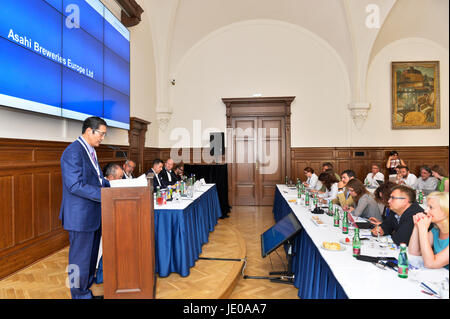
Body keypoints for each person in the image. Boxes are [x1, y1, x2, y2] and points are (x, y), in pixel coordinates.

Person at [60, 116, 109, 299]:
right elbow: (74, 185)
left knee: (89, 260)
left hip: (93, 215)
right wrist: (103, 193)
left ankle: (85, 292)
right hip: (80, 217)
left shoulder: (89, 150)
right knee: (79, 261)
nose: (102, 138)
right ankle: (78, 295)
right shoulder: (73, 151)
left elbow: (96, 178)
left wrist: (110, 185)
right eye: (101, 134)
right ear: (90, 131)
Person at [95, 163, 124, 285]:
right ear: (111, 178)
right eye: (120, 177)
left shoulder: (113, 183)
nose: (122, 180)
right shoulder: (103, 186)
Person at [408, 192, 449, 269]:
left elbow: (430, 264)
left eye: (431, 207)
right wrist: (417, 226)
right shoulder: (436, 230)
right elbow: (414, 252)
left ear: (445, 211)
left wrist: (423, 229)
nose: (426, 211)